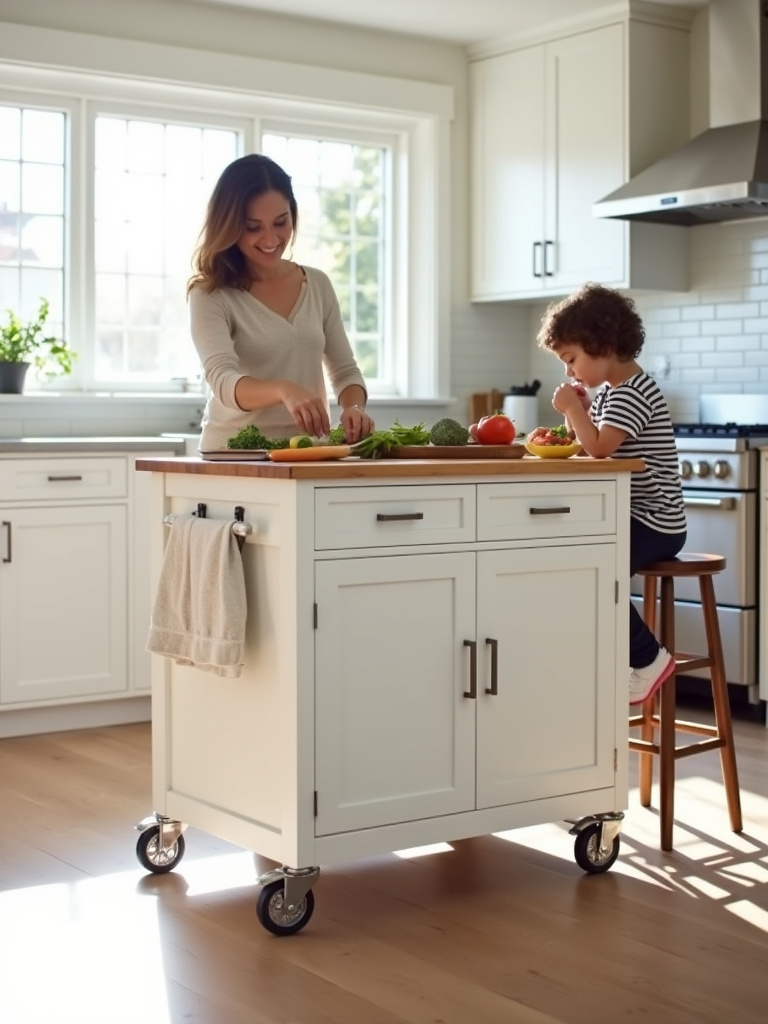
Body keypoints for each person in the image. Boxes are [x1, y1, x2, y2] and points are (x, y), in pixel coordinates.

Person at [537, 282, 686, 706]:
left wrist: (571, 409)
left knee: (593, 571)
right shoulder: (610, 395)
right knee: (585, 568)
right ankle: (622, 656)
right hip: (634, 517)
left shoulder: (634, 392)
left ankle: (648, 657)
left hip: (656, 523)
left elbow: (600, 449)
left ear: (601, 344)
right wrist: (581, 411)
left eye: (571, 359)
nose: (569, 371)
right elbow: (588, 444)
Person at [188, 153, 375, 451]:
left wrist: (354, 409)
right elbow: (223, 380)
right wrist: (282, 389)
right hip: (235, 455)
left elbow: (345, 372)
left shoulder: (317, 285)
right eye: (253, 227)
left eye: (280, 222)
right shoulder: (210, 295)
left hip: (306, 451)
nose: (271, 238)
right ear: (230, 226)